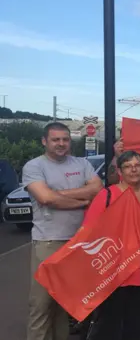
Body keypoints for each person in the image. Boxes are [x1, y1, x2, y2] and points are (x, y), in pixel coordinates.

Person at [22, 122, 103, 340]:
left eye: (65, 139)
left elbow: (98, 189)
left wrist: (59, 194)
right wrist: (81, 201)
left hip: (77, 243)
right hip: (48, 242)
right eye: (56, 139)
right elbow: (45, 198)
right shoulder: (34, 166)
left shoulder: (82, 163)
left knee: (63, 304)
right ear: (44, 141)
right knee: (41, 305)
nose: (61, 144)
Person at [82, 150, 140, 340]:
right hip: (114, 272)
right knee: (109, 323)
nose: (134, 170)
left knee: (136, 322)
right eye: (128, 166)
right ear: (119, 171)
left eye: (137, 165)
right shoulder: (107, 195)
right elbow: (89, 231)